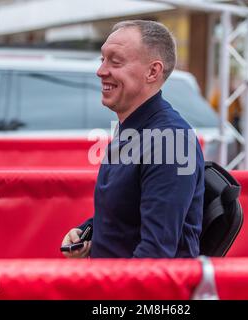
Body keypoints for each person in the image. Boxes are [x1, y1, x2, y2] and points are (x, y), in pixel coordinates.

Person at [61, 20, 204, 258]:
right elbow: (125, 216)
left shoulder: (172, 142)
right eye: (102, 60)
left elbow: (155, 255)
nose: (101, 71)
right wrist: (87, 231)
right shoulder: (134, 127)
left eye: (115, 62)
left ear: (153, 72)